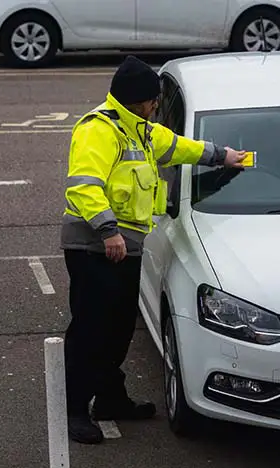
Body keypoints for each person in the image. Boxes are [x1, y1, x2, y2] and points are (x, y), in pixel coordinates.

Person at [60, 55, 248, 444]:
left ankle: (110, 399)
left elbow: (179, 147)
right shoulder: (99, 130)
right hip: (94, 248)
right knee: (90, 330)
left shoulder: (141, 130)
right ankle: (76, 409)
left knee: (117, 330)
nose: (156, 105)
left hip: (124, 249)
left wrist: (223, 156)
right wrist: (108, 231)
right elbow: (84, 187)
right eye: (153, 100)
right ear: (139, 101)